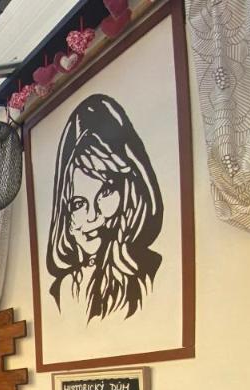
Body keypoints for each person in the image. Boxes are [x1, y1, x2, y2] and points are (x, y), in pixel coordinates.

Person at [46, 93, 164, 323]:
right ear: (65, 217)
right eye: (78, 204)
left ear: (130, 192)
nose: (92, 216)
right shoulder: (63, 290)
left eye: (105, 193)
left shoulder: (152, 271)